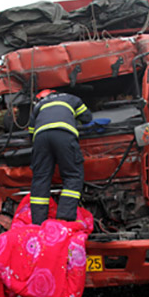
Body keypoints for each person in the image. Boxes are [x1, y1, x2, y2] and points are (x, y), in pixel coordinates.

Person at [28, 89, 92, 225]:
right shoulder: (71, 98)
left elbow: (30, 133)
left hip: (40, 139)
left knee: (40, 179)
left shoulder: (38, 106)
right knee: (72, 175)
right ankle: (65, 218)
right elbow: (87, 118)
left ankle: (38, 222)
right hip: (64, 135)